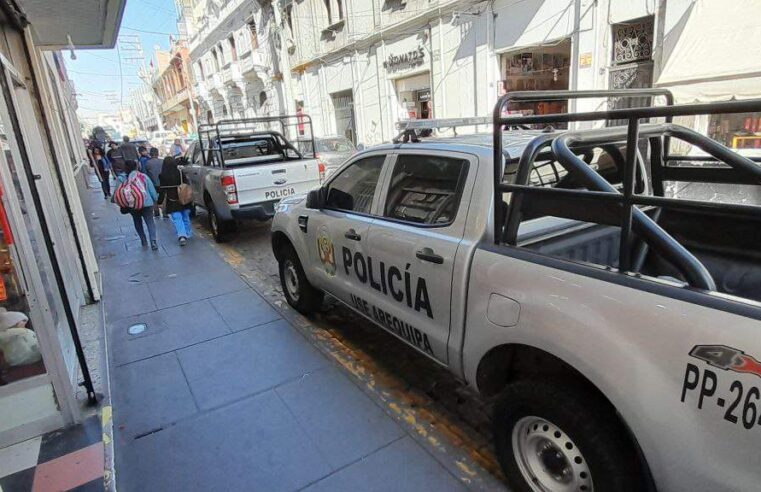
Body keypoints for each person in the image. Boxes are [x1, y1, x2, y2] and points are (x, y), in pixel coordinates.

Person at [118, 160, 159, 250]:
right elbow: (152, 191)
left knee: (137, 221)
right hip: (147, 203)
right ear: (136, 167)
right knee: (150, 221)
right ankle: (153, 241)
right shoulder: (143, 176)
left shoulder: (121, 178)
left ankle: (143, 240)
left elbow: (117, 194)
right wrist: (155, 199)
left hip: (132, 204)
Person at [158, 156, 193, 246]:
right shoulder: (180, 172)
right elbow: (187, 184)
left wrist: (160, 201)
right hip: (183, 197)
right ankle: (188, 233)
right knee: (185, 216)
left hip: (172, 199)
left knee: (177, 218)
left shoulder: (162, 175)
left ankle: (182, 235)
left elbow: (162, 190)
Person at [144, 148, 164, 217]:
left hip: (152, 183)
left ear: (150, 154)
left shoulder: (147, 163)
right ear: (158, 153)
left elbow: (145, 174)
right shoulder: (162, 161)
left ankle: (156, 212)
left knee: (154, 198)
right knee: (163, 197)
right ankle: (165, 213)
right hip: (162, 183)